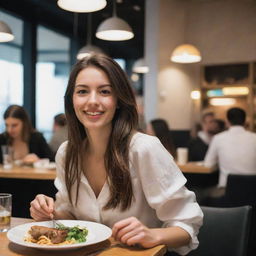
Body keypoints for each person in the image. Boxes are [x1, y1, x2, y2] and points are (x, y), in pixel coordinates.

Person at [29, 54, 203, 255]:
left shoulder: (143, 148)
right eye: (83, 91)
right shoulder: (66, 153)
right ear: (72, 100)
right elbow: (70, 214)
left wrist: (153, 235)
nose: (92, 101)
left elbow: (187, 223)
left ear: (119, 100)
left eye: (104, 91)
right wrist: (49, 214)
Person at [204, 107, 256, 195]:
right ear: (245, 121)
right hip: (253, 191)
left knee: (201, 193)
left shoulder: (218, 138)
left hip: (227, 192)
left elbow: (208, 164)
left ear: (227, 122)